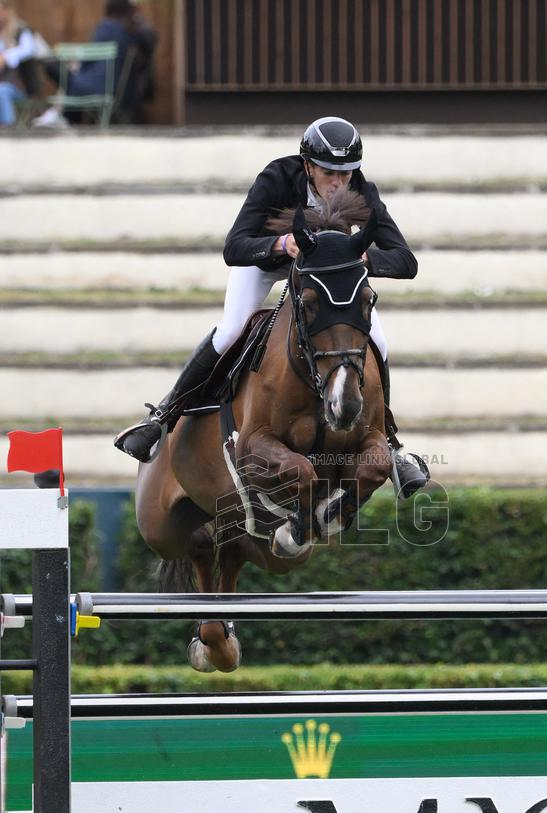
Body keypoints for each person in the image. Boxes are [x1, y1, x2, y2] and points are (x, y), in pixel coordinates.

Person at [115, 116, 429, 497]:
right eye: (330, 172)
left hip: (325, 276)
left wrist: (364, 262)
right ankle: (163, 417)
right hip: (266, 262)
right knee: (231, 330)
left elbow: (405, 261)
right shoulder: (276, 178)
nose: (338, 183)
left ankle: (391, 444)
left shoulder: (364, 191)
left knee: (378, 340)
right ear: (308, 165)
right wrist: (281, 246)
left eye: (346, 174)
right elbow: (234, 247)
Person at [36, 0, 156, 126]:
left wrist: (75, 63)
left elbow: (87, 59)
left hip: (95, 87)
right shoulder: (132, 34)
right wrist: (138, 20)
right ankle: (57, 114)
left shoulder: (106, 27)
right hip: (119, 90)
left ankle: (57, 114)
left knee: (53, 67)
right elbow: (150, 37)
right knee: (68, 79)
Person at [0, 0, 39, 126]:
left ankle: (7, 129)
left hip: (18, 86)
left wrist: (6, 56)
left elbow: (28, 50)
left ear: (7, 11)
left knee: (1, 91)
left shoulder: (21, 31)